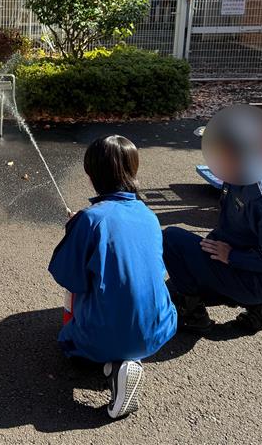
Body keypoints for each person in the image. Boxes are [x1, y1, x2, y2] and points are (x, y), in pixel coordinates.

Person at [48, 135, 177, 419]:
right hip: (159, 330)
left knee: (68, 340)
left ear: (92, 174)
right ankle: (126, 359)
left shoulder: (90, 219)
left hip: (102, 337)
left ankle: (114, 362)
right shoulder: (149, 215)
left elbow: (67, 276)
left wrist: (74, 232)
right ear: (132, 170)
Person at [163, 106, 262, 335]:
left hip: (257, 280)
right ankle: (256, 305)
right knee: (173, 286)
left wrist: (232, 256)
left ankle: (195, 316)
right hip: (244, 264)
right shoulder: (239, 176)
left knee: (172, 239)